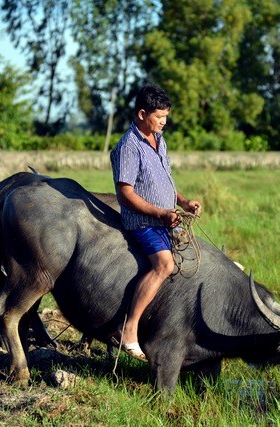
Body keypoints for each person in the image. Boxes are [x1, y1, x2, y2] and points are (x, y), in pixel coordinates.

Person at [109, 82, 202, 361]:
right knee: (165, 264)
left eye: (165, 117)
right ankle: (129, 329)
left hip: (164, 220)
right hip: (142, 221)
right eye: (159, 117)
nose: (163, 122)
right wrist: (160, 213)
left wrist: (182, 202)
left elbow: (164, 182)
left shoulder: (159, 141)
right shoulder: (129, 146)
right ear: (141, 114)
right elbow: (125, 194)